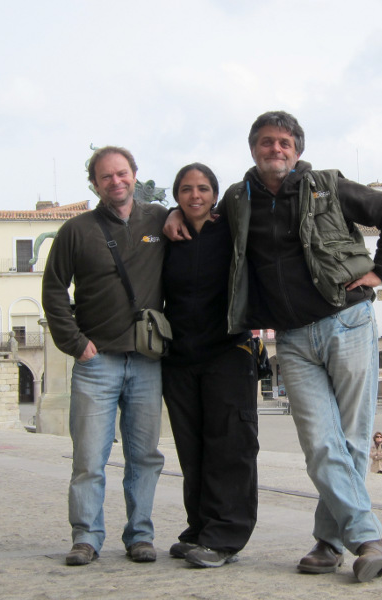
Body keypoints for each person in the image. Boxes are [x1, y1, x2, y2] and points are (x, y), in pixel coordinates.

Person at [165, 111, 382, 582]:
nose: (274, 149)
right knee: (320, 441)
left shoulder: (327, 185)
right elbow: (204, 217)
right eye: (264, 142)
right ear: (252, 148)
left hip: (348, 321)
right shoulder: (238, 198)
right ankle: (366, 539)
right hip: (293, 337)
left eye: (283, 142)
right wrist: (175, 212)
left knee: (353, 439)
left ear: (297, 148)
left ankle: (330, 541)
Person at [42, 146, 168, 566]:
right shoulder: (76, 231)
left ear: (135, 174)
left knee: (145, 457)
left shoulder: (159, 219)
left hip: (147, 361)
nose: (116, 182)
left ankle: (140, 535)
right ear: (94, 184)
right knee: (89, 458)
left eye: (122, 173)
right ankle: (86, 536)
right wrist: (75, 343)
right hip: (97, 363)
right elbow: (54, 289)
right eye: (106, 176)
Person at [161, 163, 259, 568]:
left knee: (230, 446)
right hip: (180, 358)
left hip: (228, 353)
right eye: (186, 189)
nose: (195, 195)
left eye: (203, 188)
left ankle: (225, 537)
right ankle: (200, 529)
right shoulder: (167, 236)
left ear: (215, 195)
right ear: (176, 196)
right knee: (193, 448)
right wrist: (168, 218)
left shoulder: (232, 230)